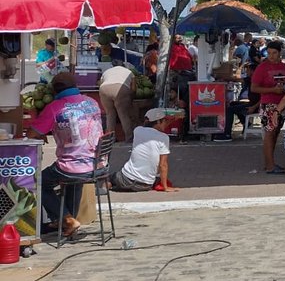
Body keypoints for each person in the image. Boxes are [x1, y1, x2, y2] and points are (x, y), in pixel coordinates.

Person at [25, 72, 103, 238]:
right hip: (97, 165)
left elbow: (32, 133)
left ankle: (66, 219)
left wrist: (43, 129)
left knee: (39, 181)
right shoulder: (92, 102)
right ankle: (67, 220)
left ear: (54, 91)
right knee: (74, 176)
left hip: (72, 167)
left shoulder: (55, 107)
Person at [110, 108, 175, 192]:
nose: (166, 124)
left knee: (110, 178)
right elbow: (163, 165)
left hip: (126, 180)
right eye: (165, 121)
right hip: (145, 185)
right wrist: (165, 187)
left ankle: (106, 187)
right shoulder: (164, 138)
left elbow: (148, 126)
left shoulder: (137, 130)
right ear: (158, 122)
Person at [252, 40, 285, 175]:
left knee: (275, 133)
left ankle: (270, 162)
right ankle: (270, 165)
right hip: (269, 104)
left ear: (280, 53)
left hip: (282, 104)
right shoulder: (262, 67)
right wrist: (272, 90)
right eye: (269, 53)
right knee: (269, 133)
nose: (271, 56)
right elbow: (254, 88)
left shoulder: (283, 67)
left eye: (274, 53)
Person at [99, 63, 135, 142]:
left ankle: (110, 139)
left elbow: (100, 83)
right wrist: (130, 98)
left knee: (110, 114)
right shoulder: (129, 72)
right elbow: (133, 88)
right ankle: (129, 138)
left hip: (104, 89)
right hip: (120, 88)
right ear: (124, 66)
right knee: (123, 114)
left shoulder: (107, 71)